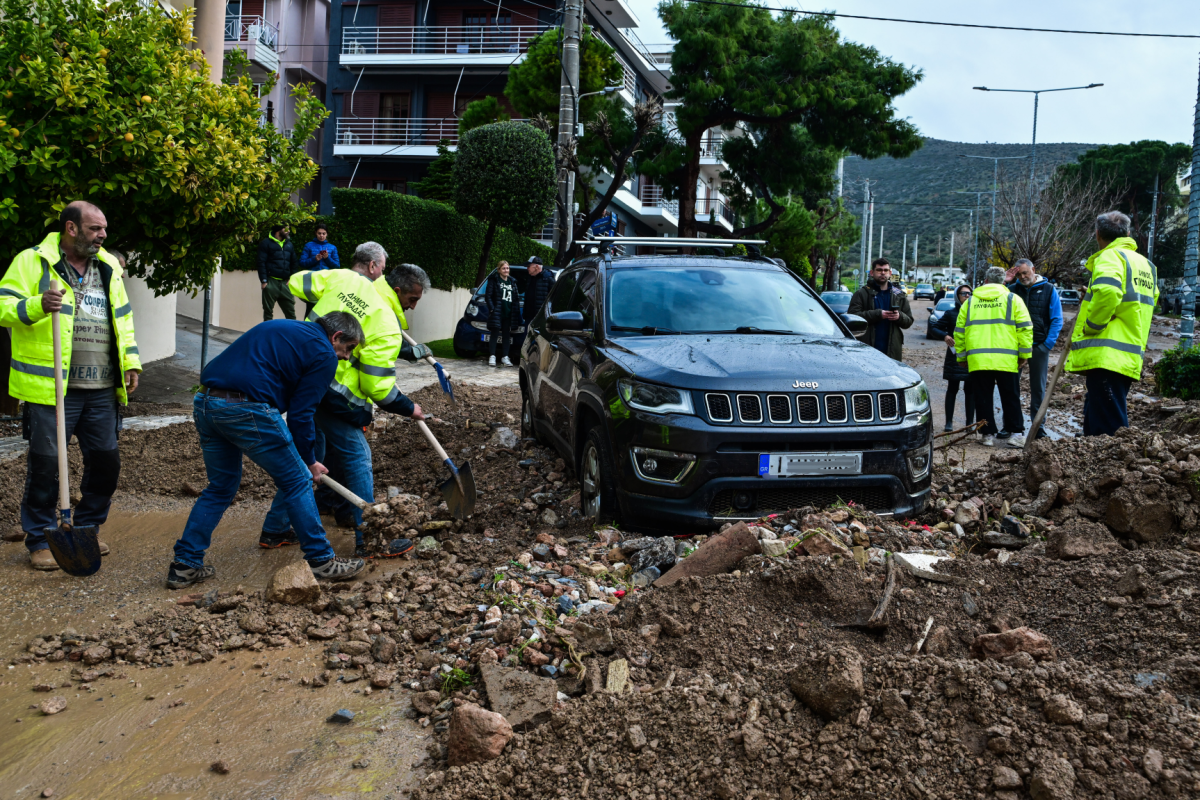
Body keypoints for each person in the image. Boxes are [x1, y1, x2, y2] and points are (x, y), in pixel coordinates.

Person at [166, 313, 368, 588]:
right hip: (247, 408)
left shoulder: (282, 326)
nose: (346, 357)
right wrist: (309, 460)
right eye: (349, 349)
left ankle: (185, 565)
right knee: (298, 480)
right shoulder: (324, 352)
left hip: (205, 403)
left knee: (221, 487)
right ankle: (322, 561)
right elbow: (301, 414)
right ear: (336, 337)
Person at [0, 201, 142, 570]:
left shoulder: (109, 266)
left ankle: (87, 528)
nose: (103, 236)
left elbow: (122, 319)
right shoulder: (32, 262)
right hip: (52, 389)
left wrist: (130, 361)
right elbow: (2, 305)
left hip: (101, 389)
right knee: (46, 466)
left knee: (106, 462)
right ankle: (42, 538)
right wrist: (35, 305)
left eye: (104, 229)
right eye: (95, 229)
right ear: (71, 228)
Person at [286, 242, 425, 558]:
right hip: (333, 393)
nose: (414, 306)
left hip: (300, 374)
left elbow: (297, 282)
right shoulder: (387, 324)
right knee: (358, 456)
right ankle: (370, 539)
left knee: (305, 457)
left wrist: (331, 295)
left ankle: (276, 528)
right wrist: (409, 407)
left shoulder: (342, 278)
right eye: (412, 299)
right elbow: (377, 388)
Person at [1065, 211, 1158, 437]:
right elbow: (1147, 301)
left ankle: (1111, 468)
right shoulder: (1147, 265)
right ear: (1127, 233)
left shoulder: (1110, 256)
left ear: (1097, 234)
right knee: (1100, 410)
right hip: (1127, 352)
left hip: (1107, 352)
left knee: (1107, 424)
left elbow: (1109, 291)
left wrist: (1093, 324)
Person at [954, 267, 1032, 448]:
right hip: (1007, 359)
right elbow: (1025, 329)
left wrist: (962, 356)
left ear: (986, 281)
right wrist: (1024, 354)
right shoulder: (1013, 300)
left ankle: (986, 435)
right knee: (1011, 396)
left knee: (982, 397)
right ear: (1003, 281)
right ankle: (1016, 433)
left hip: (979, 359)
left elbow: (959, 332)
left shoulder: (970, 302)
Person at [1007, 258, 1063, 439]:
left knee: (1038, 389)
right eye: (1019, 274)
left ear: (1033, 269)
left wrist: (1048, 344)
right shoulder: (1011, 290)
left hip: (1039, 346)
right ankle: (1011, 426)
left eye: (1025, 273)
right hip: (1014, 348)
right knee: (1011, 387)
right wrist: (1006, 281)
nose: (1023, 277)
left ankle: (1038, 427)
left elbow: (1056, 319)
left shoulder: (1048, 289)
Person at [847, 258, 914, 361]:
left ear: (890, 273)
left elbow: (909, 321)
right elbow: (852, 317)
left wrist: (899, 316)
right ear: (872, 273)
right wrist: (878, 314)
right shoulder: (862, 293)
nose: (883, 273)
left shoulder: (899, 295)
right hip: (867, 349)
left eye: (885, 270)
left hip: (892, 351)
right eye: (879, 270)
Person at [930, 285, 975, 432]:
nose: (967, 296)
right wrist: (945, 336)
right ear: (957, 296)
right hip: (954, 355)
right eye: (963, 293)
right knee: (952, 388)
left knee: (970, 390)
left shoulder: (977, 313)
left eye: (969, 293)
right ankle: (948, 422)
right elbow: (934, 327)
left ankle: (969, 423)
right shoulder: (951, 313)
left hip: (972, 356)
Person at [257, 223, 299, 322]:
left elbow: (294, 262)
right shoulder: (266, 243)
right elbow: (261, 262)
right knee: (268, 313)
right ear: (279, 230)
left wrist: (291, 279)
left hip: (285, 284)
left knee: (291, 314)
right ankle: (267, 335)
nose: (288, 231)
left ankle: (292, 335)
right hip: (271, 282)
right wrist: (264, 281)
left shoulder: (289, 244)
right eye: (286, 229)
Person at [299, 224, 340, 318]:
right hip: (312, 280)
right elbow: (301, 263)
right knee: (310, 306)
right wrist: (314, 259)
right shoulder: (308, 246)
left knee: (324, 306)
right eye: (319, 233)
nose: (321, 235)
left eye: (324, 233)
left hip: (327, 281)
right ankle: (307, 327)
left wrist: (327, 258)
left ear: (327, 234)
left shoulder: (332, 247)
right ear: (315, 233)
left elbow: (337, 266)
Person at [486, 260, 520, 367]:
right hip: (497, 313)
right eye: (504, 268)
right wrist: (492, 309)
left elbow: (516, 298)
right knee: (494, 334)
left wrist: (516, 311)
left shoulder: (512, 282)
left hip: (508, 313)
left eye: (507, 268)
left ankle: (505, 357)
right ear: (499, 270)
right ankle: (492, 356)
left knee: (506, 335)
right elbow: (488, 296)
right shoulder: (494, 280)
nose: (506, 270)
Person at [523, 255, 555, 326]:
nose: (527, 268)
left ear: (537, 266)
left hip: (541, 318)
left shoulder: (548, 279)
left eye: (529, 266)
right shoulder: (530, 278)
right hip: (529, 317)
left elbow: (554, 298)